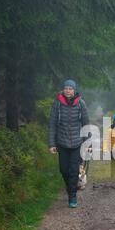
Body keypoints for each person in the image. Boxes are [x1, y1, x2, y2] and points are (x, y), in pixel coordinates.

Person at [48, 79, 89, 208]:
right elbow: (52, 125)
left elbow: (86, 124)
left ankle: (72, 196)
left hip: (77, 143)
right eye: (66, 88)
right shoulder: (57, 104)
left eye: (70, 88)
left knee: (73, 171)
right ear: (63, 89)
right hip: (62, 142)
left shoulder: (81, 104)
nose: (68, 90)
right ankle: (70, 187)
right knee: (63, 170)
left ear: (74, 90)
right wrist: (51, 144)